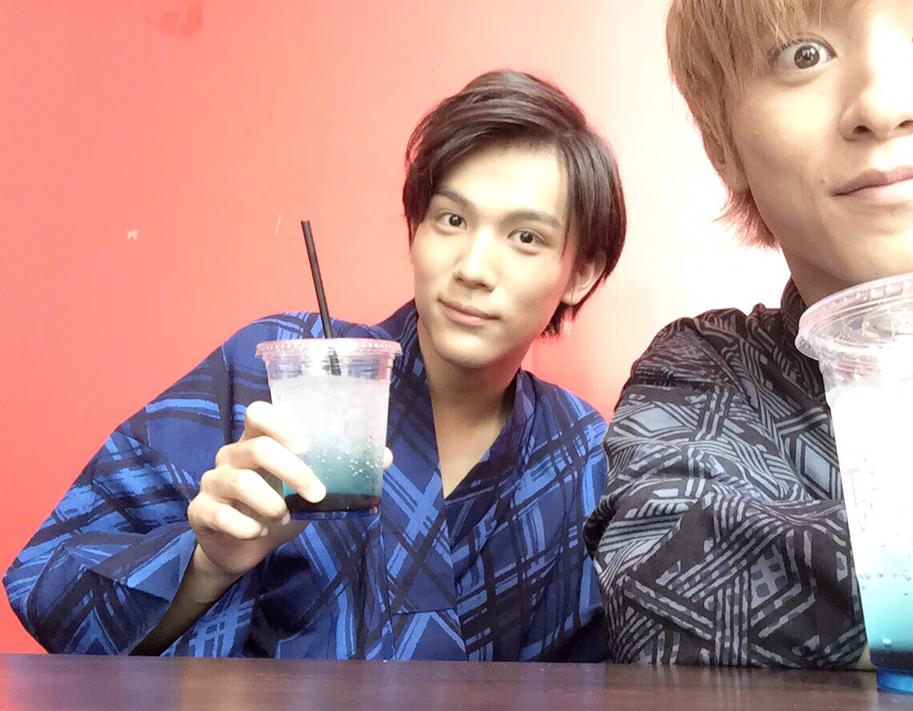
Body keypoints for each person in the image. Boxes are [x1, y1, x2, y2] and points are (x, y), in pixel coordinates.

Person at [5, 69, 627, 660]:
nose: (472, 267)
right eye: (452, 219)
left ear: (581, 273)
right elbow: (48, 584)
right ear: (416, 230)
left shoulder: (580, 458)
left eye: (526, 238)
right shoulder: (279, 371)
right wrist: (206, 563)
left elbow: (602, 692)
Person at [585, 0, 913, 666]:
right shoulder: (704, 376)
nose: (883, 105)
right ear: (722, 146)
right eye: (804, 55)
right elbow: (667, 594)